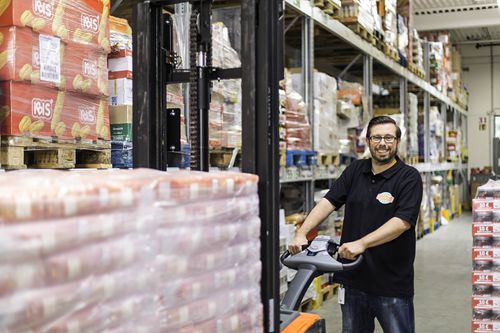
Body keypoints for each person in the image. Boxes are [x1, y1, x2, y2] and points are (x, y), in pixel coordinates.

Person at [288, 116, 423, 333]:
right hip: (353, 279)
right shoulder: (355, 170)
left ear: (397, 141)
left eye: (388, 137)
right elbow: (328, 202)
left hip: (391, 284)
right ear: (368, 141)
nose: (382, 143)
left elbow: (402, 223)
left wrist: (362, 243)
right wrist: (301, 232)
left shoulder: (408, 177)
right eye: (376, 137)